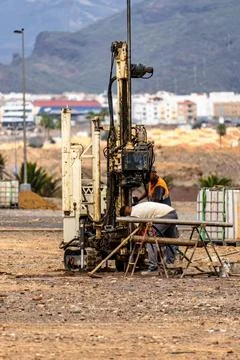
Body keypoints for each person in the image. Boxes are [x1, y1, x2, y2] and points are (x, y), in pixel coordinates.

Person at [120, 202, 179, 275]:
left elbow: (140, 229)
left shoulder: (134, 214)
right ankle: (170, 265)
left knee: (150, 240)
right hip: (172, 213)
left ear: (126, 215)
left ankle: (153, 268)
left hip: (164, 215)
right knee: (170, 240)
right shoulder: (138, 207)